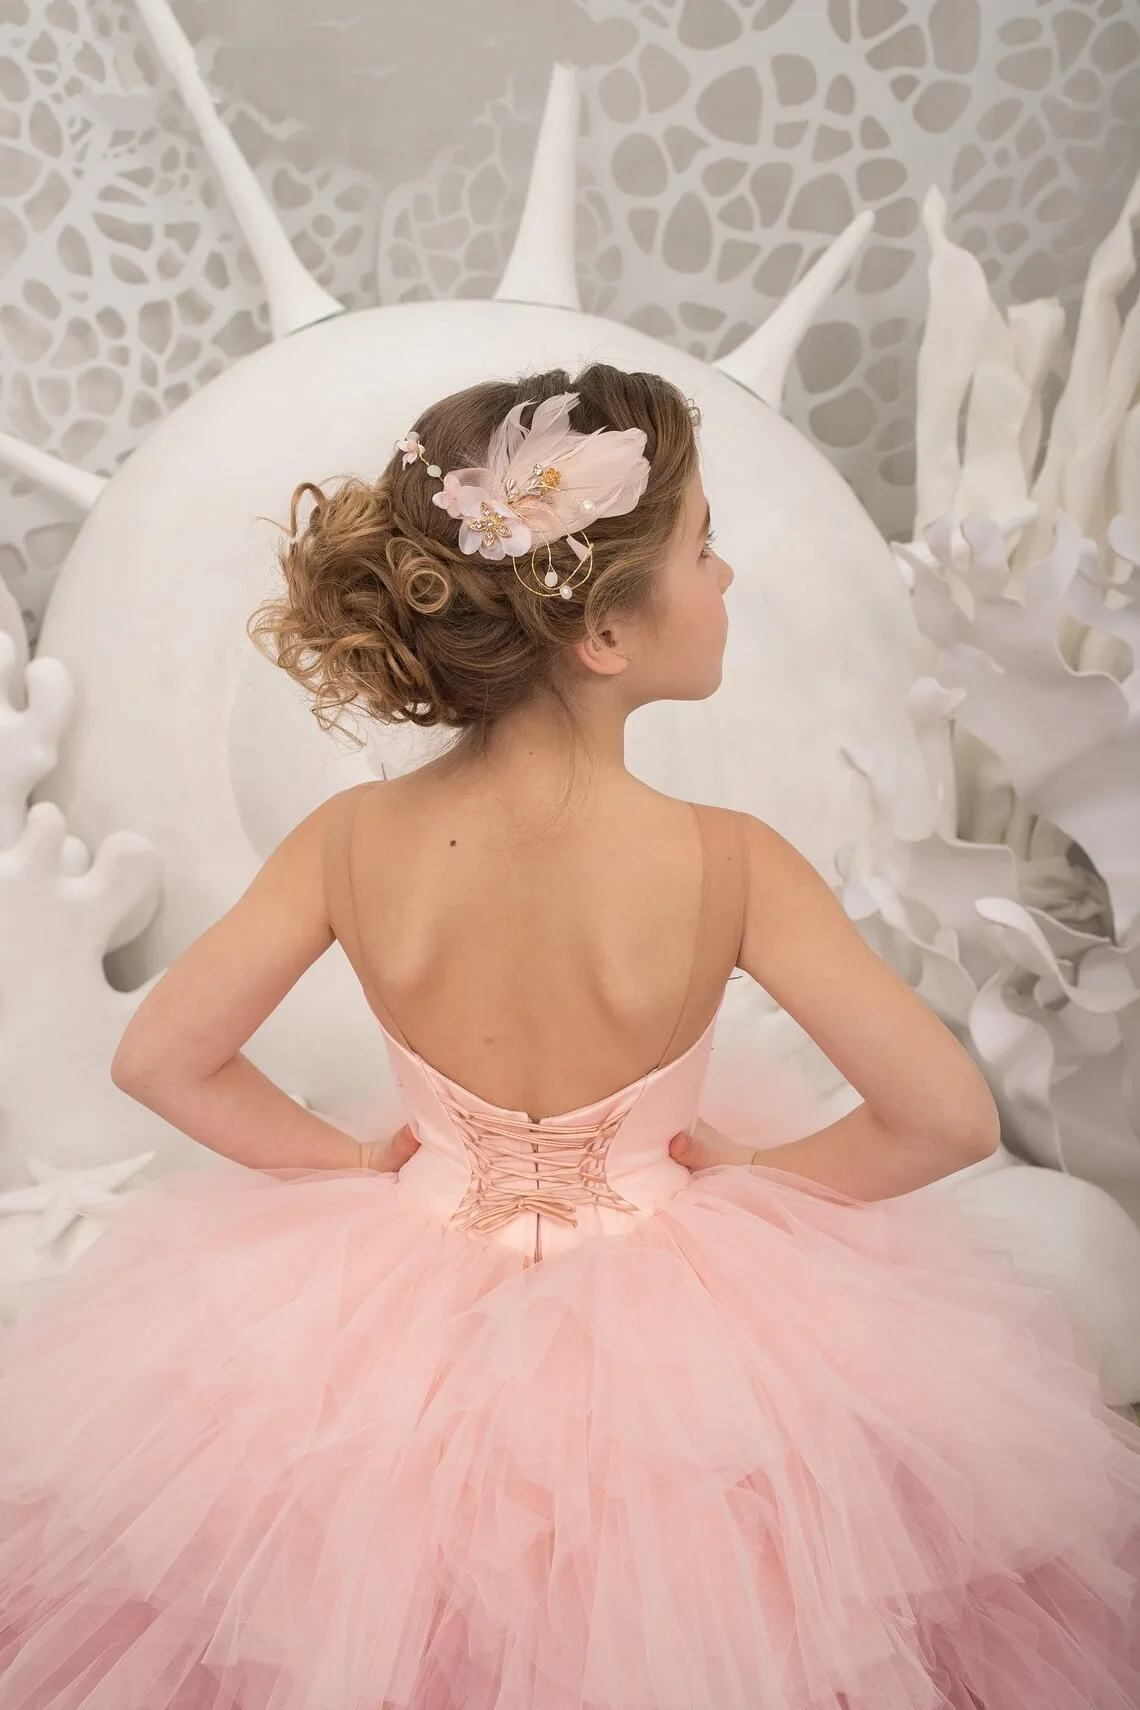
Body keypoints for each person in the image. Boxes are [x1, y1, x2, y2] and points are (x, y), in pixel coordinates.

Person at [0, 365, 1136, 1710]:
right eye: (704, 548)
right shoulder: (731, 861)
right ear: (602, 631)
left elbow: (163, 1058)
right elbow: (943, 1117)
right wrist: (749, 1178)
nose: (727, 579)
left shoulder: (351, 841)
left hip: (402, 1305)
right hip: (680, 1327)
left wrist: (361, 1168)